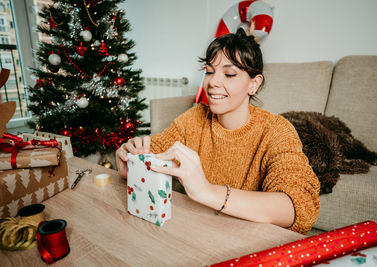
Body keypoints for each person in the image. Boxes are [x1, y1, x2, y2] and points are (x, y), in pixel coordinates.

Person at [116, 28, 320, 234]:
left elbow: (297, 208)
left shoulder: (277, 130)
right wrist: (130, 160)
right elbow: (152, 157)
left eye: (229, 74)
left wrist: (207, 192)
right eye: (209, 71)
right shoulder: (193, 118)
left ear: (254, 84)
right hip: (193, 231)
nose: (213, 82)